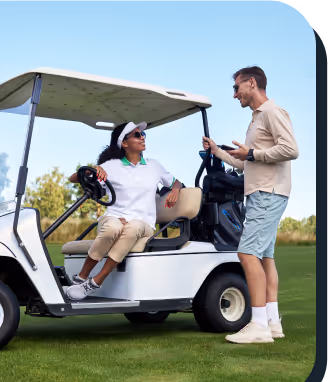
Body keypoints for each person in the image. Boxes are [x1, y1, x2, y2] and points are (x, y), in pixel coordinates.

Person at [203, 66, 299, 344]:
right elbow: (246, 164)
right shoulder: (256, 119)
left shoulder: (272, 112)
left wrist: (253, 153)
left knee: (246, 254)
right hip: (260, 192)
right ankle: (272, 322)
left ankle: (257, 326)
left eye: (236, 88)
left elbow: (291, 149)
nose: (235, 95)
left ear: (251, 83)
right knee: (264, 257)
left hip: (268, 193)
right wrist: (219, 151)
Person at [65, 121, 183, 301]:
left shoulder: (153, 165)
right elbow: (74, 178)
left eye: (143, 135)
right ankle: (80, 278)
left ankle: (94, 282)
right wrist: (95, 169)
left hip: (144, 224)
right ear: (124, 143)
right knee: (112, 227)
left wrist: (175, 190)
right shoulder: (111, 165)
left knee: (134, 226)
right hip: (114, 217)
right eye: (137, 135)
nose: (142, 137)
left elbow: (175, 181)